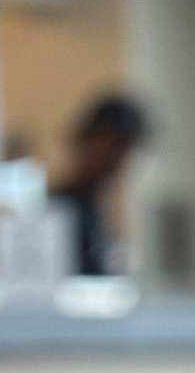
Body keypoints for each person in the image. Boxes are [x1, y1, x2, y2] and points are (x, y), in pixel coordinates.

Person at [50, 92, 149, 278]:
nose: (117, 159)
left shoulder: (98, 211)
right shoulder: (55, 209)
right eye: (112, 146)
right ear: (87, 137)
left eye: (124, 150)